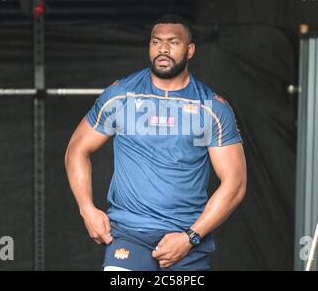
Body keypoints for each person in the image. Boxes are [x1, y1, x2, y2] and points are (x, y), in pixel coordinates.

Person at [64, 14, 247, 271]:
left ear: (190, 50)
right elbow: (77, 149)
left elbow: (235, 184)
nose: (163, 49)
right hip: (129, 234)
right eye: (156, 42)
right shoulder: (121, 96)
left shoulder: (212, 108)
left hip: (185, 239)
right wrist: (87, 209)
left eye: (173, 42)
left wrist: (190, 237)